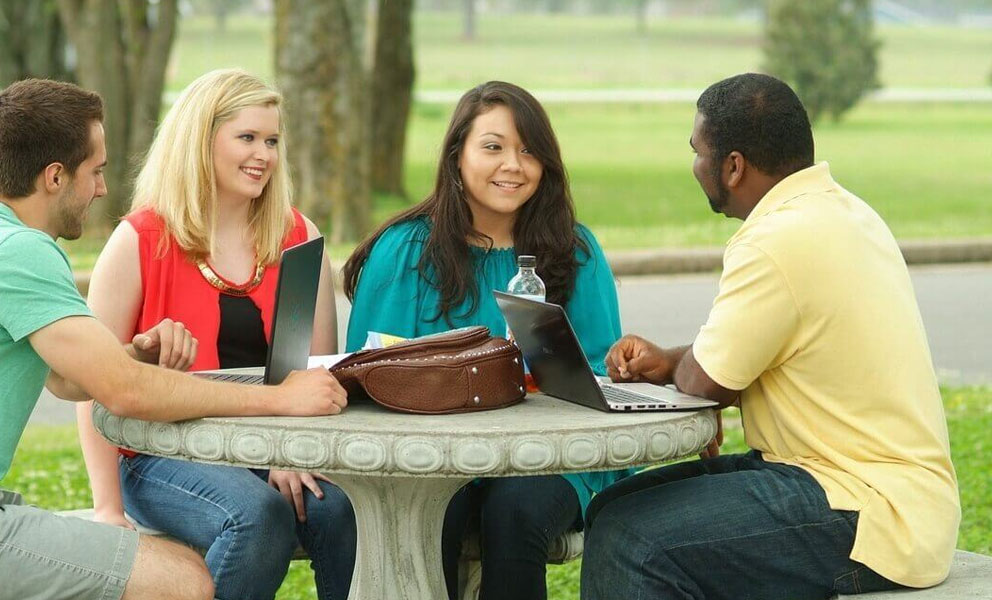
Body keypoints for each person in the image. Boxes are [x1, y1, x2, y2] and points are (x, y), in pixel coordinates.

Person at [0, 78, 347, 600]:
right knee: (183, 580)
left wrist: (133, 354)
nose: (101, 189)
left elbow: (68, 378)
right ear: (55, 177)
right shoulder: (18, 254)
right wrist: (279, 399)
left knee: (185, 567)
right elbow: (125, 393)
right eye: (95, 172)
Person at [580, 73, 960, 599]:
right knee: (612, 509)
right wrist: (669, 362)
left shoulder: (772, 238)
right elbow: (743, 359)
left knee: (630, 540)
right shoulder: (846, 212)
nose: (694, 166)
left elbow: (709, 382)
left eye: (697, 152)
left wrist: (683, 368)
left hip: (869, 508)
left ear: (733, 166)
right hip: (879, 492)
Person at [342, 81, 631, 600]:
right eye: (493, 147)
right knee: (432, 512)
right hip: (429, 456)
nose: (513, 166)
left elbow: (598, 374)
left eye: (529, 151)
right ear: (457, 155)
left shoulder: (574, 250)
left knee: (516, 510)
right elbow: (371, 372)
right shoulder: (404, 250)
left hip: (548, 456)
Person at [76, 69, 357, 600]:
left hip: (271, 445)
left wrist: (293, 453)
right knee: (257, 515)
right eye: (247, 137)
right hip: (160, 453)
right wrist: (107, 507)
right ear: (199, 141)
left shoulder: (298, 237)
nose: (263, 155)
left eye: (272, 141)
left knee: (339, 510)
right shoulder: (140, 239)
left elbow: (315, 377)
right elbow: (91, 382)